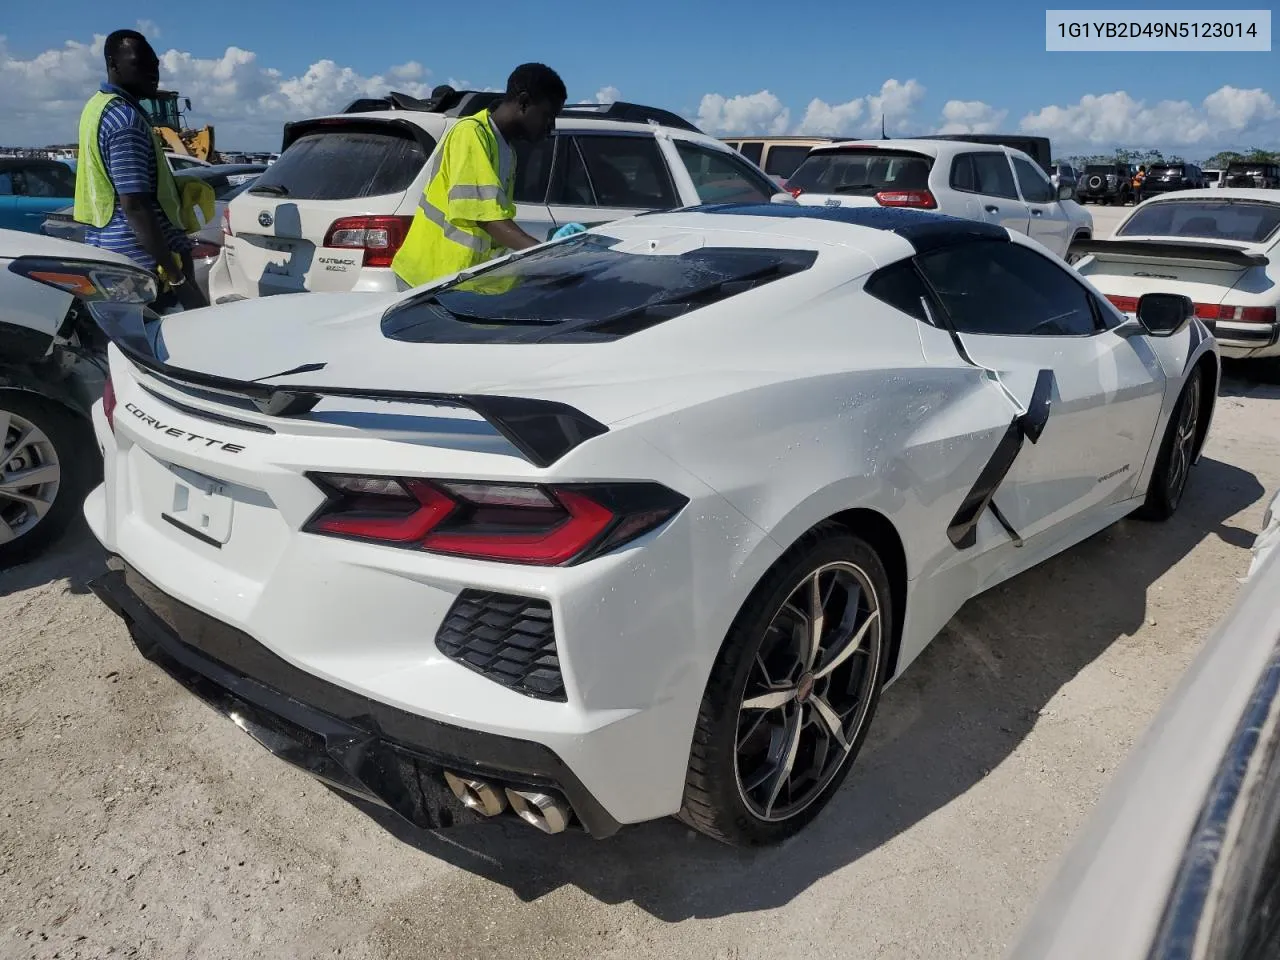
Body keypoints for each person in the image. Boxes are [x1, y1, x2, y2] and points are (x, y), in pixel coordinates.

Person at [391, 63, 568, 290]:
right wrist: (545, 257)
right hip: (428, 280)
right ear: (524, 102)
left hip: (457, 282)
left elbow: (491, 223)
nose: (550, 127)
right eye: (547, 116)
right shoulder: (471, 133)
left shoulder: (506, 150)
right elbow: (487, 218)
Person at [73, 29, 206, 310]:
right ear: (113, 64)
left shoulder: (96, 108)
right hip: (139, 266)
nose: (152, 72)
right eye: (140, 63)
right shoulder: (126, 121)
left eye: (155, 66)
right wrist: (178, 279)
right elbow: (135, 205)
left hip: (108, 252)